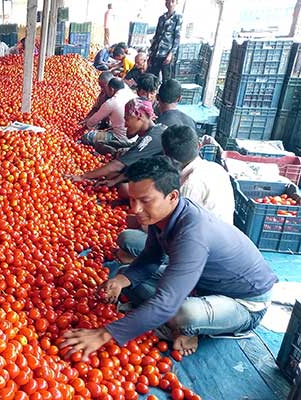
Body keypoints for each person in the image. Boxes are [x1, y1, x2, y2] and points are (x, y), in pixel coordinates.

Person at [62, 156, 277, 358]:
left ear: (173, 196)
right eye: (133, 199)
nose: (136, 209)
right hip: (201, 283)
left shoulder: (192, 234)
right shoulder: (162, 217)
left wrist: (103, 334)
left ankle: (190, 327)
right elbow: (150, 258)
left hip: (246, 301)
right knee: (126, 276)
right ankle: (178, 315)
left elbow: (166, 303)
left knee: (182, 314)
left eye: (145, 200)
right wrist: (120, 281)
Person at [115, 125, 236, 263]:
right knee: (127, 254)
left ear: (165, 153)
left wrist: (139, 223)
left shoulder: (190, 184)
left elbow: (176, 230)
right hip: (222, 238)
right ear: (198, 146)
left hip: (200, 250)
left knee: (127, 239)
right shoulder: (215, 168)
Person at [72, 98, 165, 184]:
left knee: (123, 188)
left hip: (162, 182)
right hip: (154, 172)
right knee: (113, 174)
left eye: (127, 119)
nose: (125, 125)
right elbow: (137, 164)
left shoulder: (150, 139)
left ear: (139, 116)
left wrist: (83, 177)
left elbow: (117, 165)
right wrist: (115, 181)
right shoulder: (156, 130)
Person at [80, 78, 137, 152]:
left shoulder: (112, 102)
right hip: (135, 137)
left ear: (112, 89)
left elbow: (92, 122)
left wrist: (87, 125)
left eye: (106, 89)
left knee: (87, 137)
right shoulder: (131, 93)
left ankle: (112, 148)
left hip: (121, 138)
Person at [148, 0, 183, 82]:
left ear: (176, 3)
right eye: (168, 1)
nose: (170, 3)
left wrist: (170, 54)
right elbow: (156, 36)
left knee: (166, 79)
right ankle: (151, 93)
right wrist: (151, 54)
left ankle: (164, 94)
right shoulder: (161, 18)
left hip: (166, 54)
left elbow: (177, 37)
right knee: (153, 76)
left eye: (172, 1)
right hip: (156, 53)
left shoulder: (178, 18)